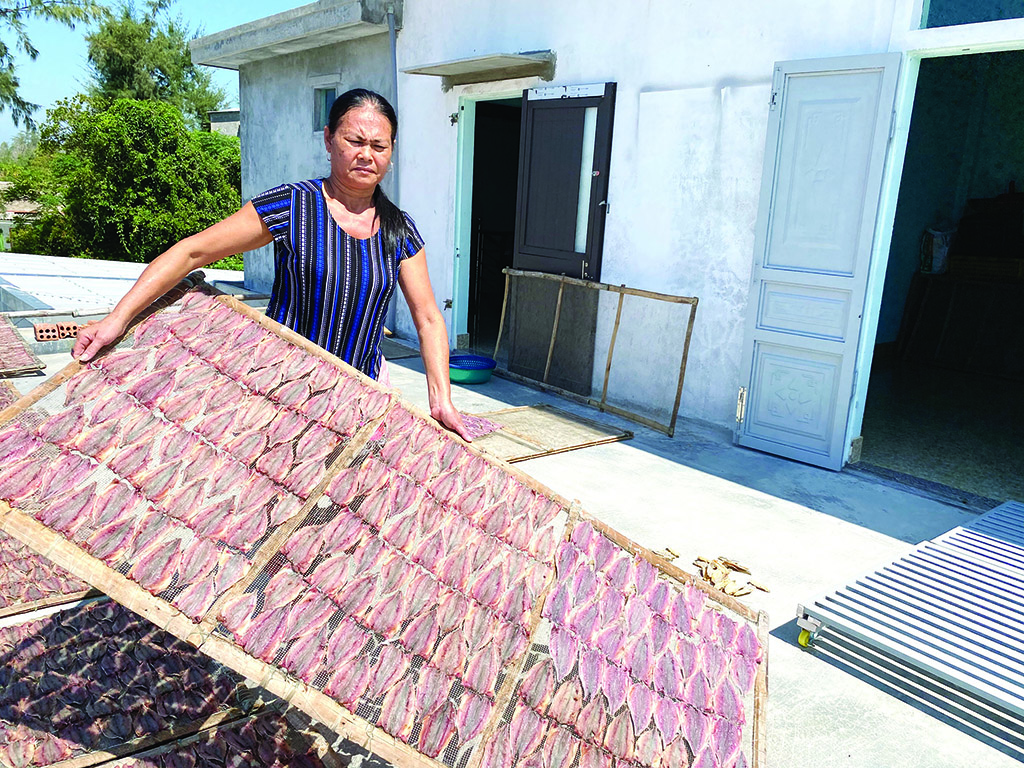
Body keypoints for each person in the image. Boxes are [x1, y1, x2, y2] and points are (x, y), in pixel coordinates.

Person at [73, 88, 470, 440]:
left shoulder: (399, 230)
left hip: (357, 402)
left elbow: (430, 319)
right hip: (280, 395)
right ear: (330, 141)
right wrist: (118, 318)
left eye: (379, 146)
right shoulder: (293, 204)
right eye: (354, 140)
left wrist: (441, 400)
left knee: (334, 513)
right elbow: (192, 252)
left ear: (391, 153)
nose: (366, 154)